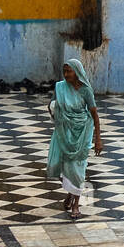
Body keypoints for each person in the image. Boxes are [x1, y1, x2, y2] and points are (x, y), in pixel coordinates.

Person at [47, 57, 102, 219]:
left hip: (81, 133)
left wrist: (98, 139)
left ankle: (76, 204)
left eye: (69, 71)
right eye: (64, 71)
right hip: (62, 132)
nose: (66, 74)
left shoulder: (86, 90)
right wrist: (56, 115)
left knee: (77, 169)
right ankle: (71, 193)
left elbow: (94, 115)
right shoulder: (60, 87)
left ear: (77, 72)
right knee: (56, 164)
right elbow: (51, 105)